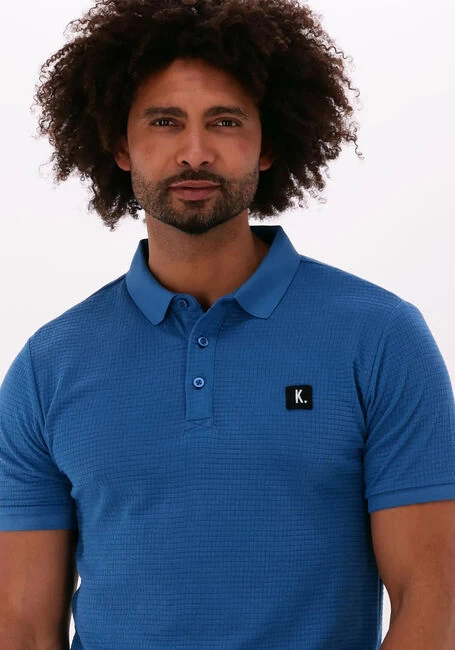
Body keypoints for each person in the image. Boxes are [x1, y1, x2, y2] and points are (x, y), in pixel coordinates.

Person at [1, 1, 454, 649]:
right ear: (120, 146)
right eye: (164, 122)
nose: (195, 153)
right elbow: (21, 628)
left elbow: (433, 601)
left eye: (225, 121)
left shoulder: (380, 338)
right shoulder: (49, 365)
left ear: (267, 145)